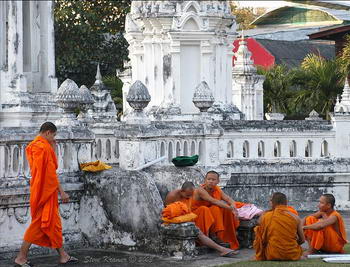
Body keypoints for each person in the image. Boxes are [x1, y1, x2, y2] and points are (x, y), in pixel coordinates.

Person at [15, 122, 78, 266]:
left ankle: (63, 255)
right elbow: (50, 175)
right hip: (46, 193)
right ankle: (21, 257)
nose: (54, 138)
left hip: (39, 190)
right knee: (39, 225)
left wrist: (52, 148)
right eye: (54, 135)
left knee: (52, 224)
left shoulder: (33, 146)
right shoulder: (42, 148)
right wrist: (62, 192)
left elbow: (42, 171)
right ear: (48, 132)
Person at [164, 181, 238, 257]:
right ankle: (222, 250)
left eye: (191, 195)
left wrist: (230, 208)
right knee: (199, 232)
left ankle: (220, 247)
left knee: (203, 211)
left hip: (186, 220)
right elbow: (168, 212)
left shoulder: (190, 195)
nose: (189, 197)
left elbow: (188, 210)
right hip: (174, 221)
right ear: (182, 191)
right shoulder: (172, 196)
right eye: (187, 195)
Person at [191, 171, 240, 250]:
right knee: (212, 208)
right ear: (205, 180)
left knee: (222, 209)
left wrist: (233, 206)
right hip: (197, 214)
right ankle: (214, 235)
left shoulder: (217, 189)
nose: (210, 181)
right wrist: (230, 208)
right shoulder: (200, 190)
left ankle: (224, 236)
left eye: (213, 179)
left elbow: (228, 199)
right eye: (209, 179)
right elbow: (214, 201)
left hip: (209, 213)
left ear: (218, 181)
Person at [253, 192, 304, 261]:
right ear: (286, 202)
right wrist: (289, 245)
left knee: (258, 229)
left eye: (270, 201)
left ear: (273, 203)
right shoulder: (295, 217)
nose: (269, 203)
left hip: (272, 254)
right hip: (292, 254)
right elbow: (302, 240)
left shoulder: (266, 216)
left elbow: (259, 226)